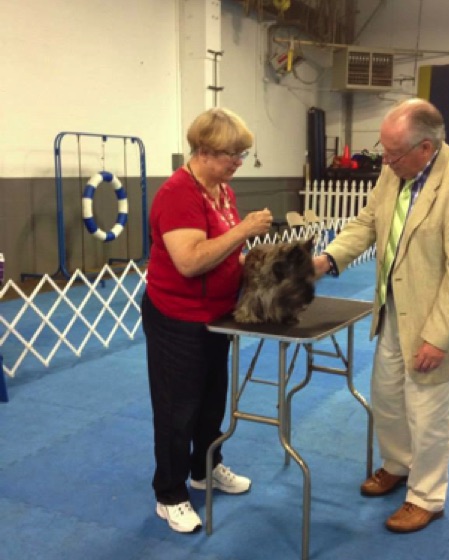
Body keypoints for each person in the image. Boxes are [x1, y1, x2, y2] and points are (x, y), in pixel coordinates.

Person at [314, 98, 449, 533]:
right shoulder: (395, 172)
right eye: (385, 151)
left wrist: (438, 338)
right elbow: (367, 224)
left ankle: (427, 496)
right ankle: (398, 463)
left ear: (426, 148)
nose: (385, 161)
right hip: (394, 310)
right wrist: (325, 261)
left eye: (393, 154)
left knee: (431, 415)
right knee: (388, 399)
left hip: (440, 324)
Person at [141, 107, 273, 534]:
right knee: (177, 411)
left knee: (212, 403)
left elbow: (221, 251)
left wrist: (249, 259)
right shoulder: (178, 194)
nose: (238, 162)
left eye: (242, 154)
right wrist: (244, 232)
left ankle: (205, 468)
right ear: (203, 150)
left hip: (218, 316)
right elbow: (190, 261)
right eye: (232, 154)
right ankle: (170, 494)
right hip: (176, 319)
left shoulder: (221, 190)